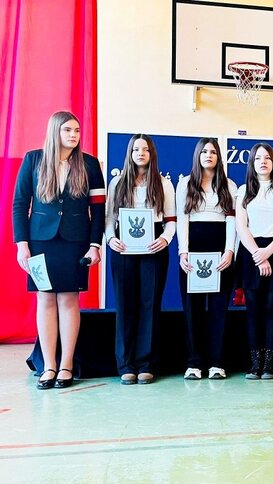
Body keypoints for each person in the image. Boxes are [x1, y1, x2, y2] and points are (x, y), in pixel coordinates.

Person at [12, 111, 106, 390]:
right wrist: (22, 245)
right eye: (67, 130)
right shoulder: (33, 159)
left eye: (76, 130)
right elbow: (20, 204)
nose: (74, 135)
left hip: (75, 242)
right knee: (45, 300)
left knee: (69, 300)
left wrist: (94, 245)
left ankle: (66, 365)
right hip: (40, 241)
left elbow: (98, 209)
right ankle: (48, 366)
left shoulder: (89, 164)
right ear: (55, 131)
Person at [105, 134, 176, 385]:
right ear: (130, 153)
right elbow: (110, 218)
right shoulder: (117, 182)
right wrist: (110, 239)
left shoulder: (163, 183)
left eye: (145, 149)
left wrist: (165, 239)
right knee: (125, 305)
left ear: (151, 153)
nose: (140, 153)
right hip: (123, 247)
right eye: (136, 149)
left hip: (153, 247)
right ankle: (125, 364)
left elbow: (171, 220)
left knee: (149, 305)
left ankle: (146, 364)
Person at [176, 138, 237, 380]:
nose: (208, 155)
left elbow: (232, 220)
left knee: (219, 309)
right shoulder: (185, 183)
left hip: (220, 253)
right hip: (193, 253)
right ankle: (194, 363)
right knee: (193, 310)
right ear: (197, 156)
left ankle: (216, 363)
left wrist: (229, 251)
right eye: (204, 152)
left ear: (218, 157)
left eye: (213, 152)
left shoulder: (229, 185)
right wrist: (183, 252)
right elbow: (182, 219)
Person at [235, 143, 273, 380]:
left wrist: (267, 252)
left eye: (267, 158)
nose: (263, 162)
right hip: (251, 253)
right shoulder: (243, 191)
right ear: (252, 163)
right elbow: (241, 226)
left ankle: (269, 364)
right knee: (253, 312)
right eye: (258, 158)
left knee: (271, 310)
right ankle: (254, 364)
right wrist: (258, 255)